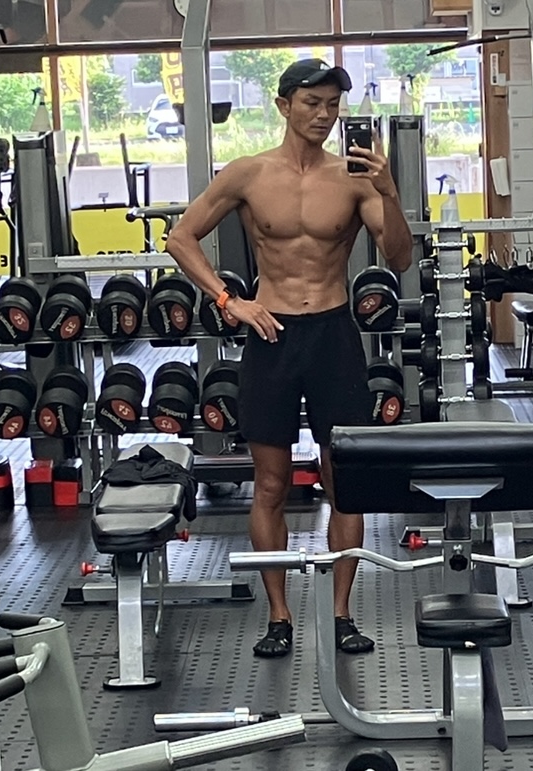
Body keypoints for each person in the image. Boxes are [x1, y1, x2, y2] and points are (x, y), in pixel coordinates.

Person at [166, 59, 413, 658]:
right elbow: (180, 237)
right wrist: (230, 300)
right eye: (312, 103)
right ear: (284, 105)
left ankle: (341, 614)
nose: (324, 115)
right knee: (271, 483)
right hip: (272, 335)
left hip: (333, 334)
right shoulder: (248, 174)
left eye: (332, 105)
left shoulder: (354, 179)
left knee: (342, 482)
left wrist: (388, 191)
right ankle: (279, 616)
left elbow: (400, 258)